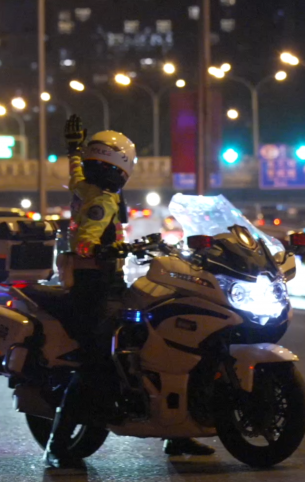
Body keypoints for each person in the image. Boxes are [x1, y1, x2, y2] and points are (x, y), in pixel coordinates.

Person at [43, 116, 213, 468]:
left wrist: (73, 149)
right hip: (95, 290)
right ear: (122, 169)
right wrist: (111, 249)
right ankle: (58, 444)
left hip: (104, 284)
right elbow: (86, 243)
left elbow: (75, 176)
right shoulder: (102, 200)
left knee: (158, 344)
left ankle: (176, 432)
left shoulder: (85, 187)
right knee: (96, 363)